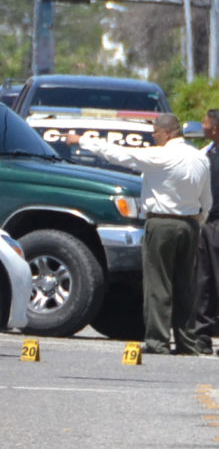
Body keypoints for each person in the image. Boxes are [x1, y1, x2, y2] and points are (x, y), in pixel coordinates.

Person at [66, 113, 210, 355]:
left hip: (162, 223)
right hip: (190, 224)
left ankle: (158, 340)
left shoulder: (160, 155)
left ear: (167, 133)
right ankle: (186, 341)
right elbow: (206, 199)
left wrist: (81, 140)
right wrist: (197, 223)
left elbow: (119, 154)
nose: (154, 137)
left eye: (155, 133)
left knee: (158, 283)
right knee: (185, 286)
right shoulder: (199, 158)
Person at [193, 109, 219, 355]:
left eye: (206, 122)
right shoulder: (207, 153)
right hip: (208, 223)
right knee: (204, 280)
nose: (202, 125)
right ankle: (202, 336)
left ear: (215, 128)